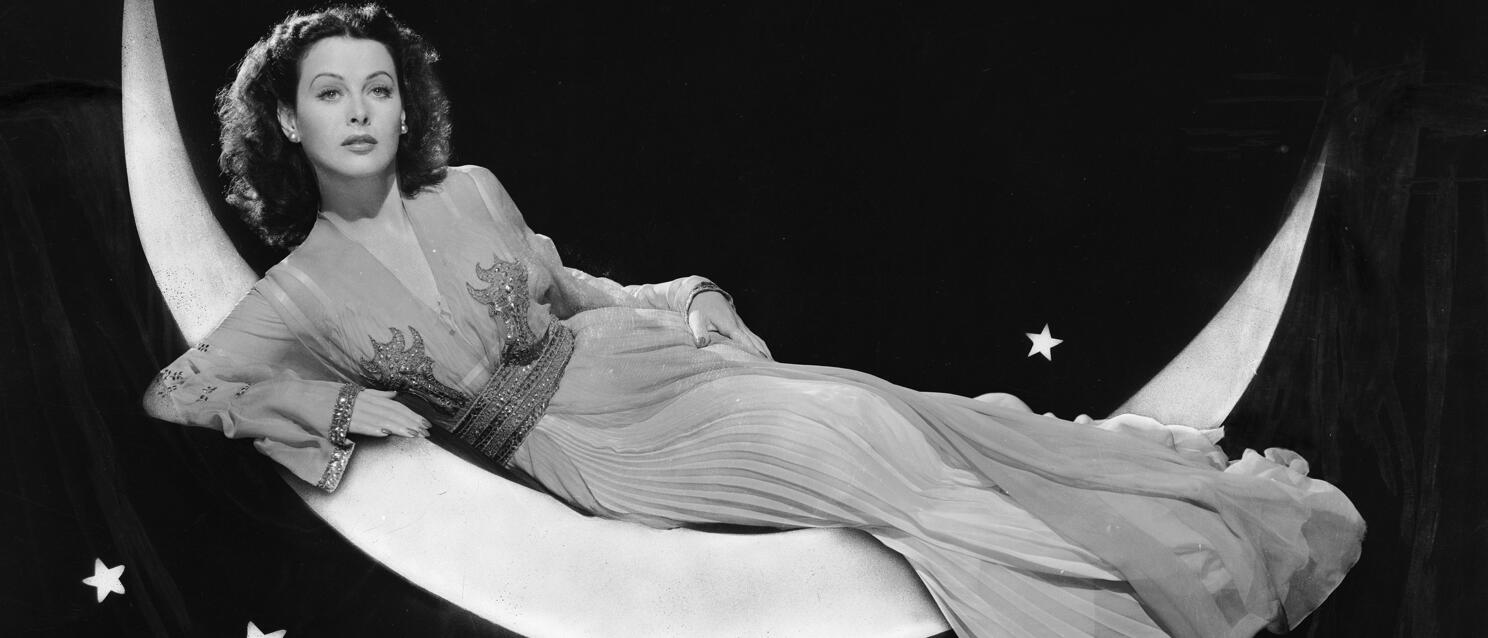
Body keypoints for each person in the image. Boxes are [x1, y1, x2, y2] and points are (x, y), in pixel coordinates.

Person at [142, 5, 1363, 637]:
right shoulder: (296, 293)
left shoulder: (467, 191)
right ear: (286, 120)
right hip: (597, 448)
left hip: (649, 363)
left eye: (378, 87)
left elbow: (576, 294)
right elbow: (182, 388)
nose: (361, 111)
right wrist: (341, 404)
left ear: (405, 108)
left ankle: (1174, 558)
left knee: (912, 422)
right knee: (890, 468)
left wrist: (684, 297)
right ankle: (1150, 603)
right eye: (330, 93)